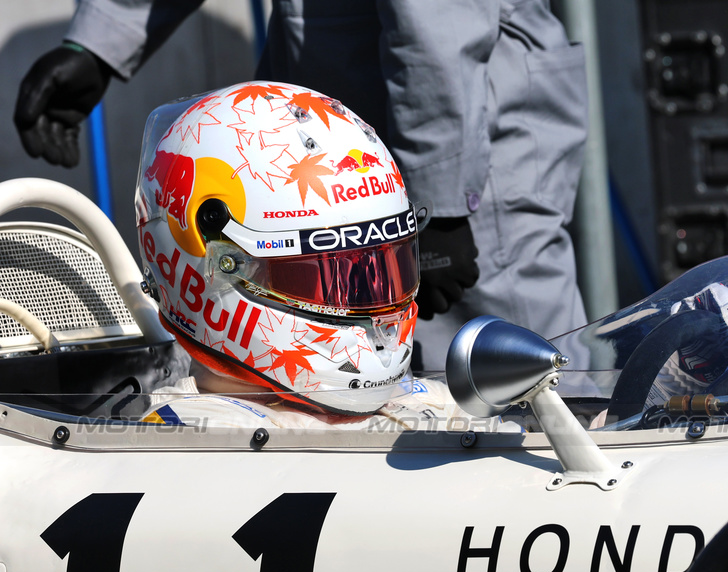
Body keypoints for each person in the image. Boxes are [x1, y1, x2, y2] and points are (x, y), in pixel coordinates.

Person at [13, 0, 589, 371]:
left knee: (512, 373)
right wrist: (101, 41)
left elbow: (435, 24)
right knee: (351, 372)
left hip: (462, 113)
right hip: (328, 130)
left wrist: (438, 204)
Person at [128, 80, 494, 432]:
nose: (376, 312)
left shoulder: (436, 403)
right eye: (317, 278)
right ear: (217, 264)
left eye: (385, 270)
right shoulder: (191, 435)